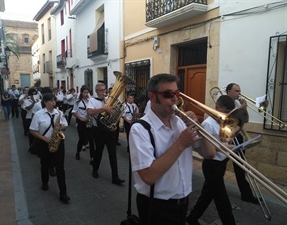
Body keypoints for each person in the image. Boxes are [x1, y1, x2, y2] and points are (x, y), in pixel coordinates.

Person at [129, 74, 216, 225]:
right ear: (152, 96)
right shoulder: (140, 129)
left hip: (182, 202)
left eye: (177, 93)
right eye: (168, 94)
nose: (175, 99)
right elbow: (148, 176)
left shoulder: (180, 122)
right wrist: (181, 143)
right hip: (156, 206)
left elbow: (210, 153)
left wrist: (199, 127)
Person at [186, 95, 237, 225]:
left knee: (207, 195)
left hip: (222, 162)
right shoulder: (208, 124)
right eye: (225, 112)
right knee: (222, 199)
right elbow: (209, 147)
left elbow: (224, 141)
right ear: (216, 108)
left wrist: (233, 145)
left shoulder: (224, 122)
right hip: (212, 164)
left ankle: (191, 218)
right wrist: (227, 147)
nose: (226, 116)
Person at [29, 93, 70, 203]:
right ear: (45, 102)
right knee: (45, 164)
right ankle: (45, 182)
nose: (54, 103)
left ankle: (63, 193)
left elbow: (65, 125)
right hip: (44, 143)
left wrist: (63, 126)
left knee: (60, 167)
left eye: (54, 101)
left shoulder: (59, 113)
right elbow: (32, 130)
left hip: (58, 143)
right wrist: (44, 138)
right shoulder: (38, 114)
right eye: (51, 101)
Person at [226, 83, 259, 204]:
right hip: (228, 138)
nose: (239, 93)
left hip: (238, 138)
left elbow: (245, 120)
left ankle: (246, 194)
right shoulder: (224, 103)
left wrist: (243, 109)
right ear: (228, 91)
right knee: (220, 166)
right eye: (236, 91)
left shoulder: (238, 103)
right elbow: (230, 123)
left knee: (241, 167)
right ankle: (211, 188)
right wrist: (240, 110)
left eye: (239, 90)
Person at [87, 82, 125, 185]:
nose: (104, 92)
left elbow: (116, 113)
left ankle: (115, 177)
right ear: (96, 91)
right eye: (101, 90)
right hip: (98, 131)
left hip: (110, 131)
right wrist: (104, 108)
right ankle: (95, 170)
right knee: (98, 152)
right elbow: (90, 112)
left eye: (104, 90)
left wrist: (115, 125)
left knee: (113, 154)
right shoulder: (92, 101)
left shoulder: (110, 99)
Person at [72, 86, 95, 164]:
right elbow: (74, 112)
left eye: (87, 92)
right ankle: (78, 152)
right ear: (81, 93)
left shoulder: (90, 101)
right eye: (84, 92)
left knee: (91, 141)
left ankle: (92, 157)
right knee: (81, 139)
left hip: (89, 122)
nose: (86, 94)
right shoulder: (78, 102)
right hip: (81, 122)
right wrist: (80, 118)